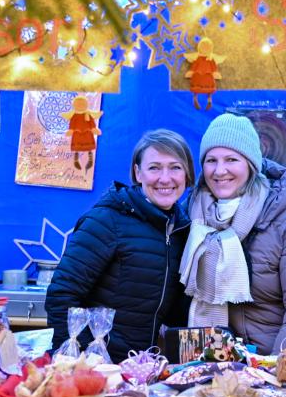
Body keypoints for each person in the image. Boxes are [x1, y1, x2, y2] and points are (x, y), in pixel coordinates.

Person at [180, 113, 286, 354]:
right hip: (230, 359)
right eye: (211, 160)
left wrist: (276, 367)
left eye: (231, 159)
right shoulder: (193, 214)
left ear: (251, 165)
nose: (220, 171)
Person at [46, 129, 193, 362]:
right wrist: (82, 358)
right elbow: (62, 294)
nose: (165, 178)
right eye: (154, 167)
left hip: (142, 368)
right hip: (98, 367)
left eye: (175, 167)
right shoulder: (107, 221)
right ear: (138, 173)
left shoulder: (182, 230)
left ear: (187, 174)